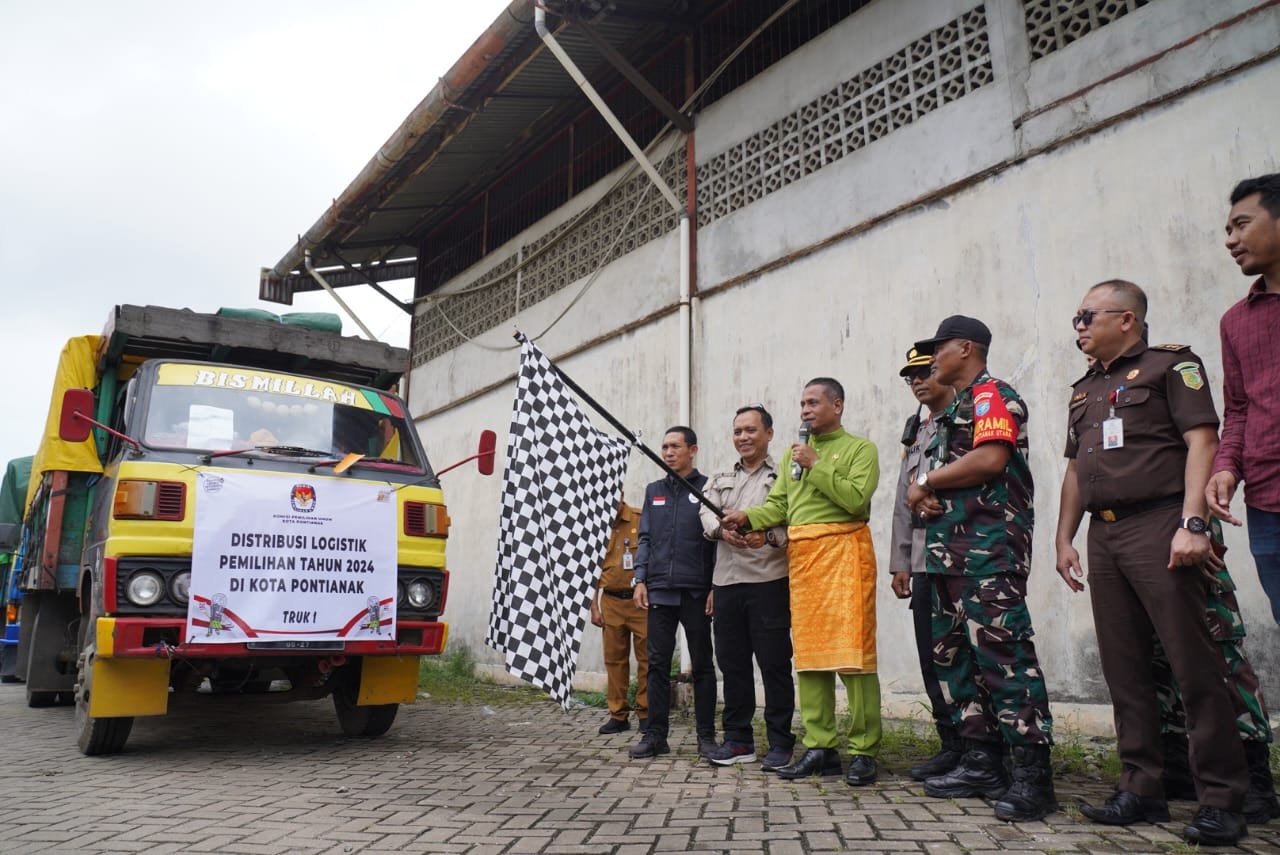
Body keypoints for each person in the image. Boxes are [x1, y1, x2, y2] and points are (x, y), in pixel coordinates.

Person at [1053, 280, 1249, 845]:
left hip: (1161, 525)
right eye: (1076, 316)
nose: (1080, 326)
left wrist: (1194, 523)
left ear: (1128, 320)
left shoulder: (1172, 368)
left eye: (1089, 315)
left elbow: (1202, 441)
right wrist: (1065, 539)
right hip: (1104, 534)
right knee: (1124, 670)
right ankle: (1141, 788)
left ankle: (1221, 798)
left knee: (1194, 666)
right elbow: (1073, 471)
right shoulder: (1084, 389)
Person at [905, 315, 1055, 823]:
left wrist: (925, 480)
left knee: (1005, 659)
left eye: (937, 349)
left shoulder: (992, 394)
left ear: (965, 348)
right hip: (949, 552)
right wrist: (928, 499)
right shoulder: (953, 413)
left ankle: (1034, 777)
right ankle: (982, 761)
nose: (931, 360)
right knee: (957, 660)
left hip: (989, 550)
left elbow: (991, 459)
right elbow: (950, 483)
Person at [721, 378, 882, 787]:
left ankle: (864, 751)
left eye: (813, 402)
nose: (806, 410)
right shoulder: (795, 458)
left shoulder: (860, 449)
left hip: (845, 553)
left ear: (837, 405)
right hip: (805, 561)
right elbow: (778, 505)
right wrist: (747, 517)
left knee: (854, 656)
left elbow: (856, 500)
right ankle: (820, 746)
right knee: (810, 659)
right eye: (802, 403)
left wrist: (816, 464)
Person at [698, 404, 795, 771]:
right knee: (733, 664)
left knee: (773, 665)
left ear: (769, 433)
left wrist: (768, 534)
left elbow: (793, 516)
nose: (743, 437)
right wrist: (720, 530)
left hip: (768, 582)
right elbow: (706, 512)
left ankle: (781, 742)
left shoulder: (784, 475)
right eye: (738, 431)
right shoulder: (721, 475)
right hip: (726, 583)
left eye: (751, 430)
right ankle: (738, 740)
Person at [1207, 173, 1280, 625]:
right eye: (1227, 231)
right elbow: (1238, 409)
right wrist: (1226, 467)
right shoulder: (1235, 321)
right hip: (1268, 502)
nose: (1231, 240)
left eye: (1241, 224)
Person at [888, 348, 959, 781]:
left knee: (968, 658)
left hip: (962, 555)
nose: (917, 381)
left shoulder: (965, 420)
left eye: (925, 372)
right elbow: (902, 501)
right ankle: (951, 743)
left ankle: (984, 747)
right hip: (922, 561)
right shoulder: (916, 432)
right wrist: (900, 561)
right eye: (910, 376)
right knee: (932, 657)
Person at [629, 427, 717, 760]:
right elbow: (646, 539)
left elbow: (714, 542)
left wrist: (713, 587)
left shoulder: (708, 487)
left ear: (692, 450)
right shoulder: (654, 491)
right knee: (657, 665)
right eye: (664, 446)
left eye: (675, 446)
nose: (668, 452)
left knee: (703, 666)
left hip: (696, 591)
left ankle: (706, 737)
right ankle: (655, 735)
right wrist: (640, 579)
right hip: (660, 592)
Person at [590, 496, 647, 735]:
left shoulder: (641, 518)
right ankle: (618, 714)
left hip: (640, 600)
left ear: (621, 496)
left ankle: (647, 713)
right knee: (614, 660)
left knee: (648, 659)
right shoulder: (593, 525)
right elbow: (588, 569)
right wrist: (594, 606)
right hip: (611, 601)